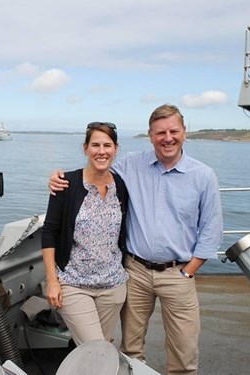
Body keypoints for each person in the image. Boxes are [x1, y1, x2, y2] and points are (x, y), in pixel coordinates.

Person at [48, 104, 223, 375]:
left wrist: (189, 271)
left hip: (178, 273)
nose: (167, 138)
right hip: (135, 272)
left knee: (184, 352)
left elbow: (211, 230)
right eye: (160, 132)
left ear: (184, 132)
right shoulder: (130, 164)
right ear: (150, 135)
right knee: (131, 349)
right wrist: (59, 178)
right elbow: (97, 166)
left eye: (173, 131)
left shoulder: (203, 176)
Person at [41, 121, 129, 346]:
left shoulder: (121, 185)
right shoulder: (66, 183)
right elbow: (49, 233)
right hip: (74, 284)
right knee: (96, 350)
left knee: (102, 346)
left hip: (113, 286)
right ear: (85, 148)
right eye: (96, 145)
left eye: (107, 145)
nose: (102, 151)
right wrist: (52, 281)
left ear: (116, 149)